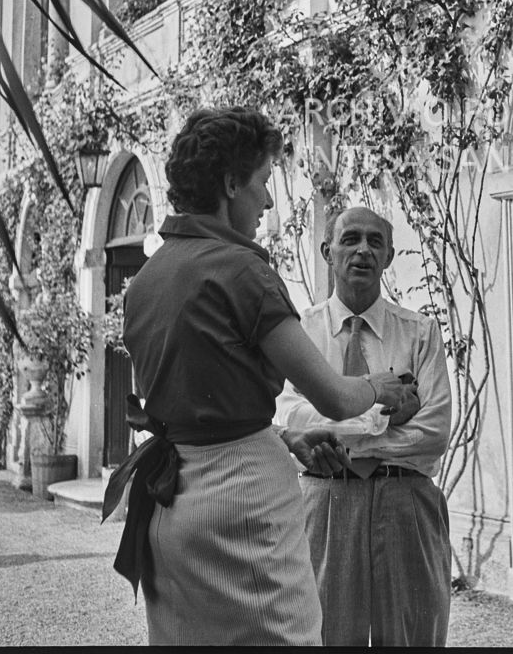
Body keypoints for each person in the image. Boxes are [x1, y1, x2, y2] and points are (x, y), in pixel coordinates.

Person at [108, 107, 418, 646]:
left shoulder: (145, 281)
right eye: (263, 182)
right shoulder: (242, 270)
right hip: (244, 505)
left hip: (172, 501)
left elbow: (196, 414)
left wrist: (286, 435)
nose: (269, 201)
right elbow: (337, 397)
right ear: (231, 184)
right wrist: (380, 387)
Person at [274, 205, 453, 647]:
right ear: (327, 251)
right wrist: (380, 417)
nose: (363, 250)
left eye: (376, 242)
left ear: (390, 256)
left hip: (405, 502)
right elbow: (289, 416)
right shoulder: (299, 332)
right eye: (350, 239)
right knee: (324, 635)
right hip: (325, 501)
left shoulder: (420, 332)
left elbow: (433, 432)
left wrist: (335, 431)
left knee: (412, 636)